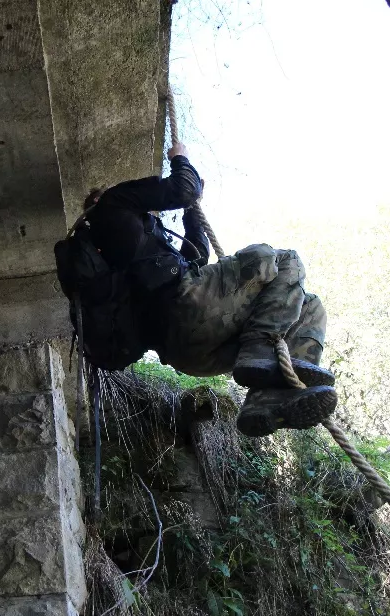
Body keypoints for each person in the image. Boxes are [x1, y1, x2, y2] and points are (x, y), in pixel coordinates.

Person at [83, 142, 336, 436]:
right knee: (281, 259)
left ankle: (267, 400)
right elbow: (184, 188)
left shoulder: (130, 254)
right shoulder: (112, 204)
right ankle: (260, 348)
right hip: (184, 309)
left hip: (191, 356)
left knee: (310, 306)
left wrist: (192, 213)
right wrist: (180, 157)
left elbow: (196, 258)